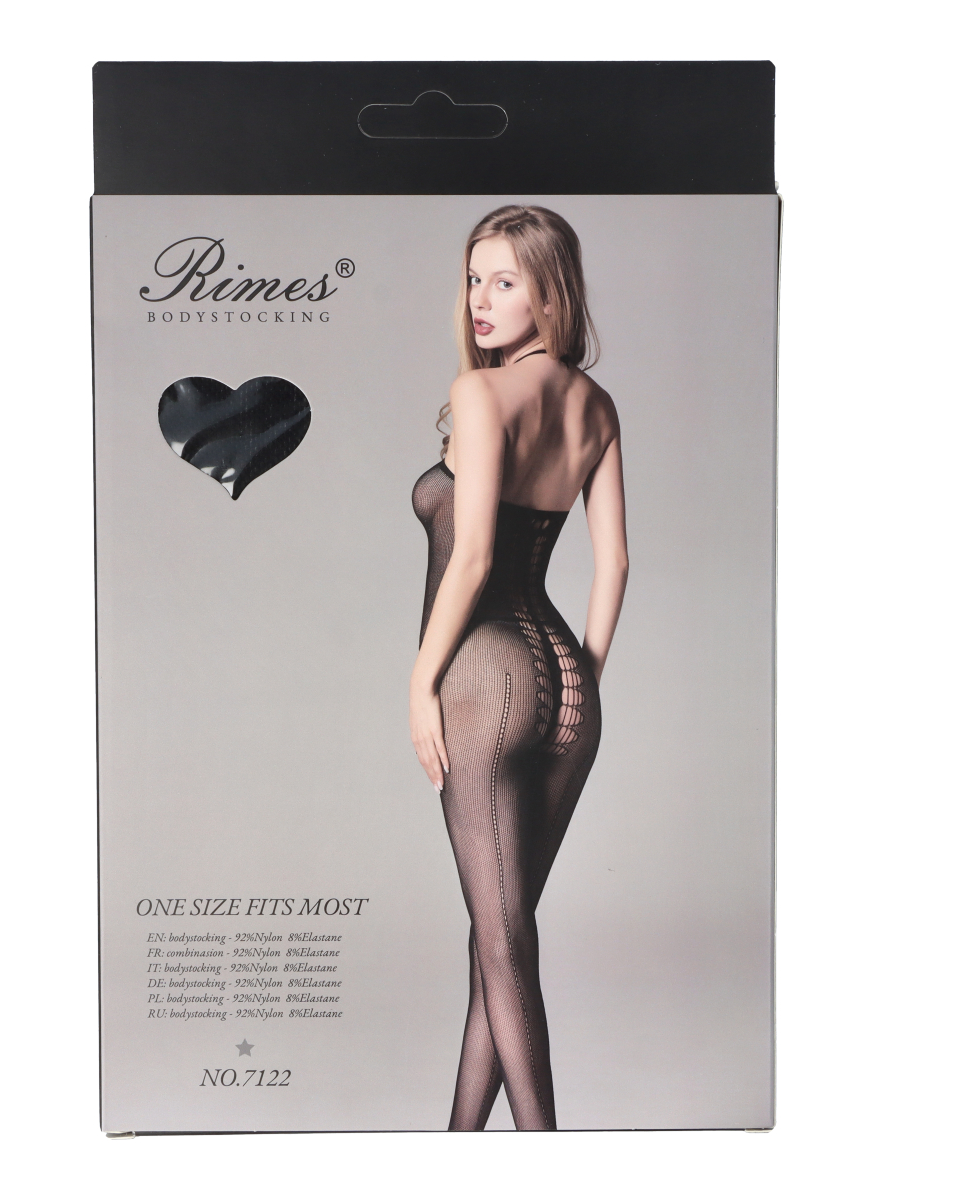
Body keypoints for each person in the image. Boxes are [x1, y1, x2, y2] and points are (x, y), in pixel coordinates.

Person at [410, 205, 629, 1131]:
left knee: (501, 945)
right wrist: (582, 686)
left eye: (505, 281)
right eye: (474, 279)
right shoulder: (596, 406)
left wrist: (421, 682)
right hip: (566, 679)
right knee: (495, 942)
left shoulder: (481, 395)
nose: (482, 299)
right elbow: (614, 565)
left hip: (484, 677)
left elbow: (470, 559)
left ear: (551, 293)